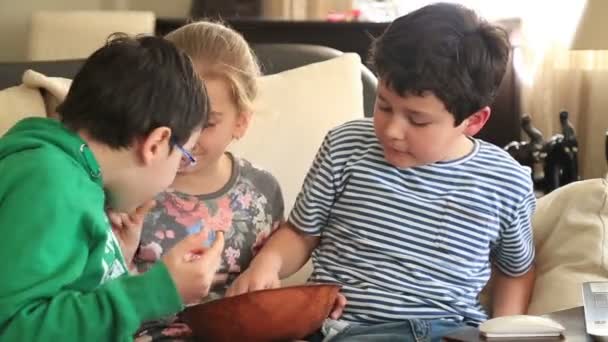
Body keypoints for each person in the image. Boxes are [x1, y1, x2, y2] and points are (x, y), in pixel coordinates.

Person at [227, 3, 537, 341]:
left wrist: (505, 332)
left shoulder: (506, 181)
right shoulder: (345, 145)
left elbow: (515, 271)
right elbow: (301, 234)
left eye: (417, 120)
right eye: (384, 106)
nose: (391, 130)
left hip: (446, 331)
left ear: (473, 121)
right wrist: (267, 264)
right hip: (340, 327)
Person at [0, 34, 225, 341]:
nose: (175, 173)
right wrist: (155, 291)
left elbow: (70, 303)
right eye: (183, 155)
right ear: (157, 143)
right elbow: (14, 328)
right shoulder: (49, 182)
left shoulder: (71, 177)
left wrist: (114, 255)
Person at [122, 21, 284, 341]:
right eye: (172, 116)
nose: (186, 136)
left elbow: (271, 281)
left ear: (240, 122)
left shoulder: (263, 191)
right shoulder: (131, 187)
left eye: (207, 123)